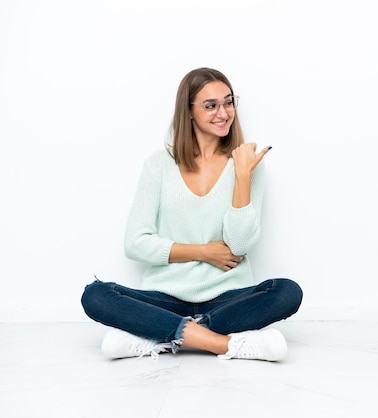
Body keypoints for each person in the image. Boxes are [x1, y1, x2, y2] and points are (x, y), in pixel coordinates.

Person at [81, 67, 303, 361]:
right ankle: (223, 344)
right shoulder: (159, 164)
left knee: (287, 292)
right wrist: (204, 252)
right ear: (188, 112)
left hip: (227, 298)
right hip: (165, 297)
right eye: (210, 106)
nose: (223, 113)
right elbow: (135, 243)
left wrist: (243, 176)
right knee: (95, 295)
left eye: (228, 102)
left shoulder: (248, 164)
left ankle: (160, 336)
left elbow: (239, 246)